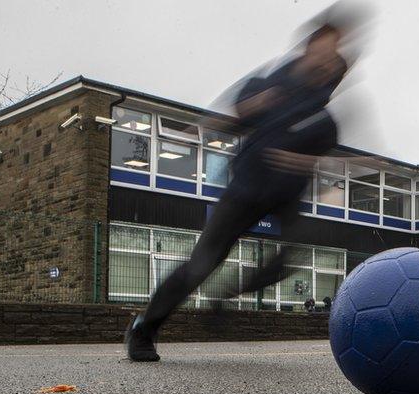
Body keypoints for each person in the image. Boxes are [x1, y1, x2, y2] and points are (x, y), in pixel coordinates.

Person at [126, 11, 364, 362]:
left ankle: (227, 294)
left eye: (334, 57)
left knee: (291, 256)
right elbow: (237, 115)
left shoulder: (325, 120)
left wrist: (296, 161)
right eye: (323, 49)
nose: (327, 60)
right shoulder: (270, 83)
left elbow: (321, 159)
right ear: (308, 48)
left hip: (286, 196)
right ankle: (143, 329)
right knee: (200, 264)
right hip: (245, 189)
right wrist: (203, 126)